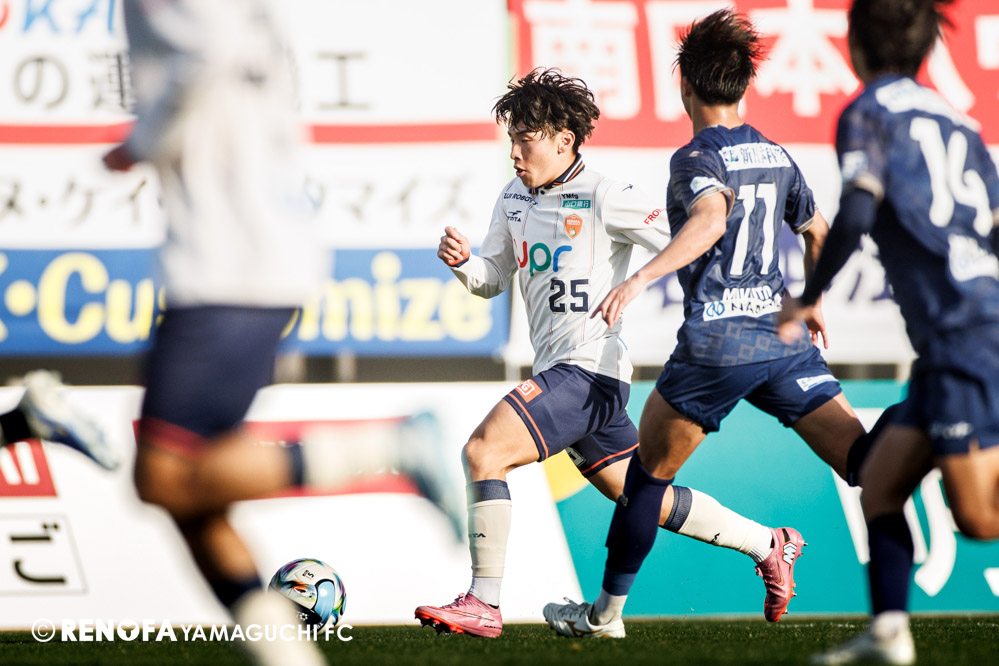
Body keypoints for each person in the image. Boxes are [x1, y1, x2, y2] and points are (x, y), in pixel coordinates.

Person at [23, 2, 462, 665]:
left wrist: (140, 142)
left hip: (227, 263)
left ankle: (393, 444)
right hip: (251, 255)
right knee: (191, 498)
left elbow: (208, 56)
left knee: (162, 477)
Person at [413, 67, 821, 639]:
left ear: (564, 140)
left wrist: (738, 299)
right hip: (563, 373)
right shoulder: (513, 198)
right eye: (511, 140)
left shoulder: (608, 196)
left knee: (483, 452)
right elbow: (492, 278)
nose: (514, 153)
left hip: (589, 371)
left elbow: (689, 241)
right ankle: (768, 543)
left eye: (525, 140)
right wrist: (464, 265)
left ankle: (483, 602)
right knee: (640, 497)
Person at [542, 9, 880, 639]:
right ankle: (944, 423)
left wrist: (640, 278)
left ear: (685, 85)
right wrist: (811, 299)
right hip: (783, 342)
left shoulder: (696, 156)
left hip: (719, 342)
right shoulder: (776, 154)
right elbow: (818, 232)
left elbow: (710, 219)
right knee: (866, 462)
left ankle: (604, 616)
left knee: (647, 478)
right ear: (744, 84)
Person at [777, 1, 999, 663]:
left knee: (979, 518)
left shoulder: (868, 111)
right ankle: (888, 633)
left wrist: (808, 295)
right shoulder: (957, 120)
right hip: (957, 338)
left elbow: (856, 209)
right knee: (879, 482)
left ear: (853, 43)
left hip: (963, 335)